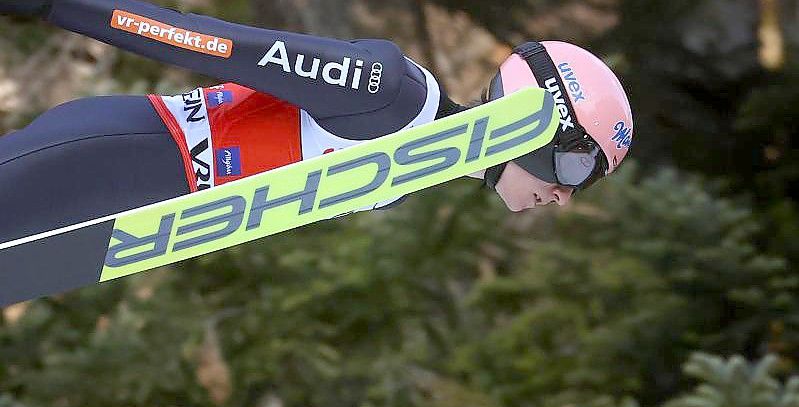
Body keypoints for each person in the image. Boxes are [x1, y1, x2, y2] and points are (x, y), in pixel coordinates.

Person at [0, 0, 634, 244]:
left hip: (111, 201)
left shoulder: (417, 163)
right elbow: (210, 45)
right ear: (534, 120)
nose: (564, 196)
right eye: (575, 165)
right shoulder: (390, 92)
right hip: (109, 156)